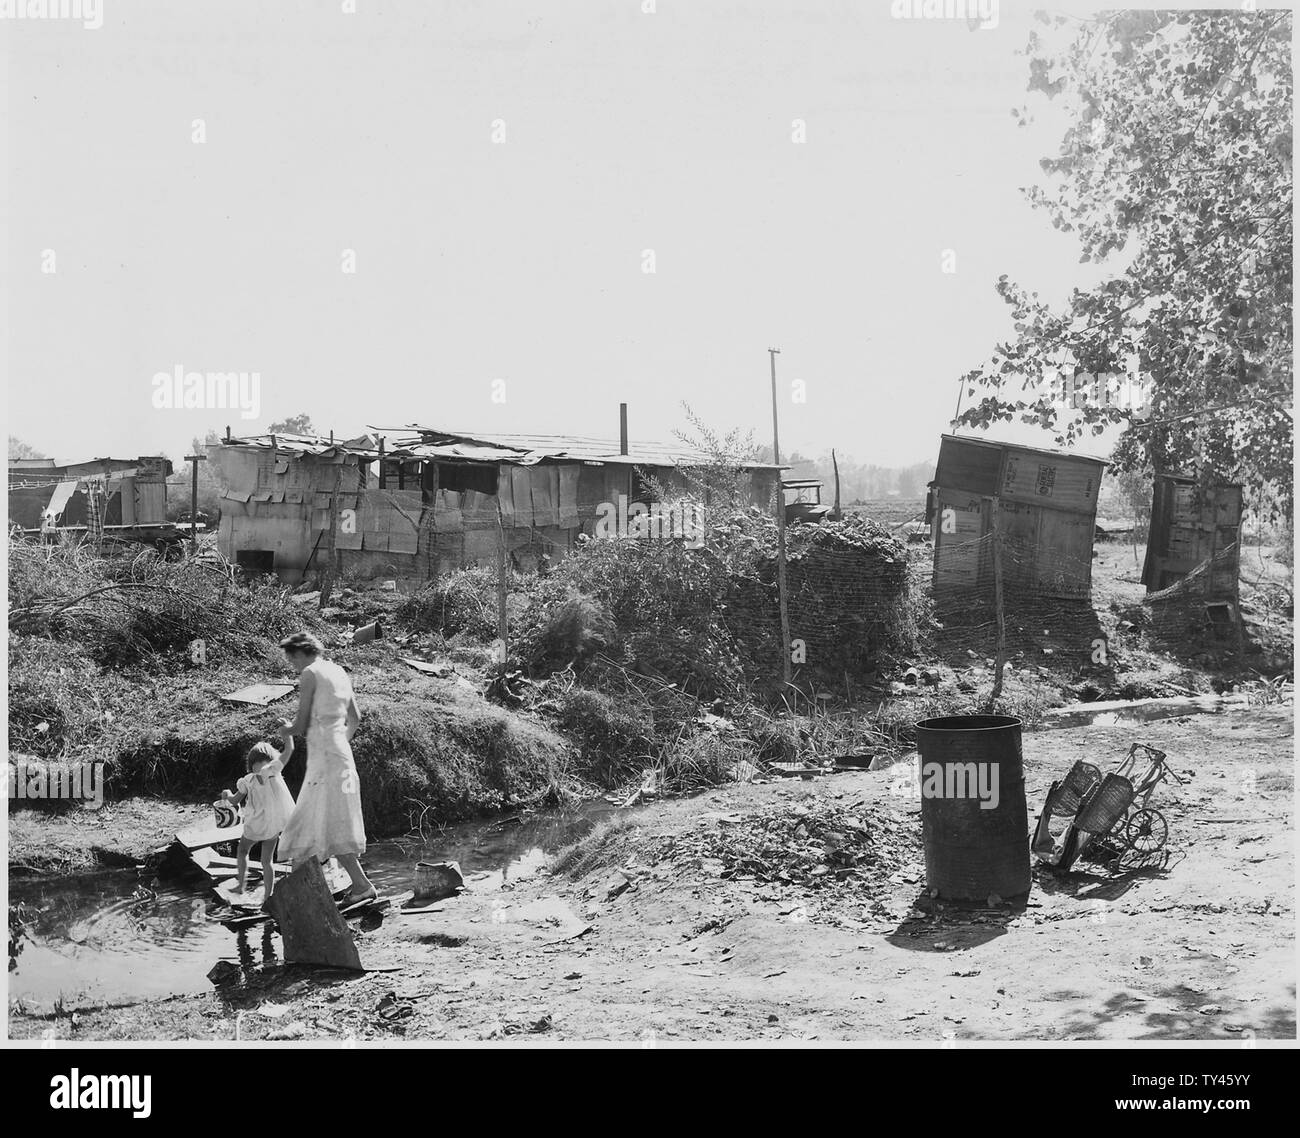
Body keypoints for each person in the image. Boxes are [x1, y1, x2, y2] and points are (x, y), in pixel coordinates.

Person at [275, 631, 376, 904]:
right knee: (329, 822)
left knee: (305, 822)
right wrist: (337, 743)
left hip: (325, 760)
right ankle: (356, 886)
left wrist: (286, 731)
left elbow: (302, 722)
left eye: (291, 658)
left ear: (300, 653)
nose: (293, 665)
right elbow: (355, 718)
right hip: (341, 755)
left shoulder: (310, 673)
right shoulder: (339, 671)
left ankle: (306, 895)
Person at [218, 730, 297, 901]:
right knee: (265, 860)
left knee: (245, 851)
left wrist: (288, 741)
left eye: (265, 762)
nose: (261, 765)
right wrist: (227, 794)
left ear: (271, 763)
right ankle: (267, 895)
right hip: (271, 825)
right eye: (257, 762)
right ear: (251, 765)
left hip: (257, 824)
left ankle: (242, 886)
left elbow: (233, 801)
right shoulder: (251, 779)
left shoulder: (269, 773)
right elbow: (234, 800)